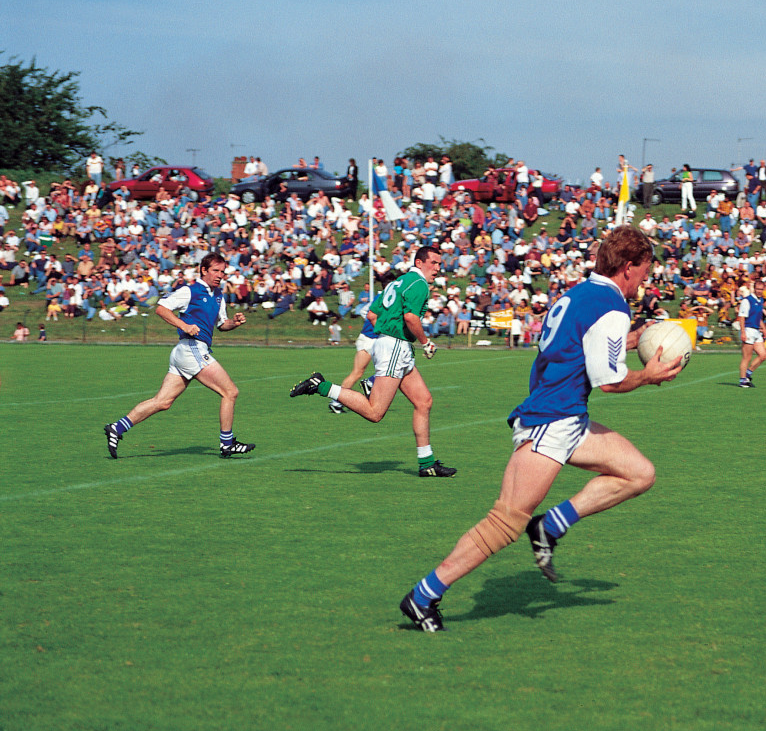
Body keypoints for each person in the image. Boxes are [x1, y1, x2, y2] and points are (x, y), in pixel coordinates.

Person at [398, 226, 684, 632]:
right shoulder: (613, 307)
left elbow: (571, 347)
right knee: (504, 522)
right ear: (628, 266)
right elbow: (610, 380)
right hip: (551, 421)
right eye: (644, 270)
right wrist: (649, 376)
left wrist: (633, 336)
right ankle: (423, 596)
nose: (645, 280)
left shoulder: (579, 293)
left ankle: (551, 525)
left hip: (567, 418)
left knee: (639, 473)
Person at [289, 246, 456, 478]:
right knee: (375, 412)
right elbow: (410, 317)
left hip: (392, 345)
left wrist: (388, 335)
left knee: (424, 401)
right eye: (434, 263)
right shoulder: (418, 284)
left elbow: (372, 314)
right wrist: (425, 341)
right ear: (419, 263)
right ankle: (321, 385)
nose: (438, 268)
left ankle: (426, 463)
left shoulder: (398, 282)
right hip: (396, 346)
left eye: (440, 263)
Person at [103, 253, 254, 459]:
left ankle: (116, 428)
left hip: (187, 352)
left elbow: (222, 324)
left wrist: (234, 323)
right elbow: (161, 309)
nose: (220, 275)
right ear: (204, 270)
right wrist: (184, 325)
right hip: (192, 348)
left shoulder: (218, 295)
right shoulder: (189, 291)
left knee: (162, 402)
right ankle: (227, 443)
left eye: (223, 272)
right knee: (230, 392)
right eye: (216, 271)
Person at [737, 280, 766, 387]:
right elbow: (741, 317)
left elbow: (758, 317)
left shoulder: (761, 300)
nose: (759, 291)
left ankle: (748, 373)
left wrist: (764, 329)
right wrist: (743, 332)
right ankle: (742, 380)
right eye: (758, 289)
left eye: (761, 289)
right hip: (748, 330)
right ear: (754, 289)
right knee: (747, 357)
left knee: (763, 355)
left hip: (756, 331)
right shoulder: (747, 300)